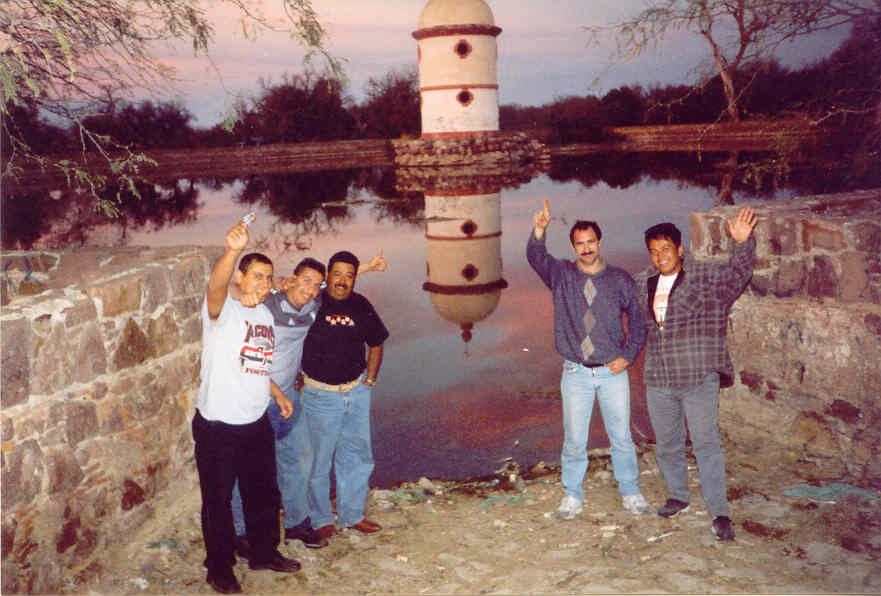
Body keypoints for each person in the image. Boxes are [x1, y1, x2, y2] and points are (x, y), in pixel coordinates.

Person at [230, 253, 387, 554]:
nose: (312, 289)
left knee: (302, 461)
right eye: (306, 281)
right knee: (255, 467)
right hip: (261, 398)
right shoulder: (268, 305)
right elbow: (237, 308)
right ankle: (242, 532)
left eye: (317, 284)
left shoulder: (316, 305)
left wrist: (367, 268)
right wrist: (266, 284)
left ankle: (300, 523)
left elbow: (340, 289)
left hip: (295, 396)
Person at [193, 219, 301, 595]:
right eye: (256, 276)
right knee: (218, 502)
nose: (263, 284)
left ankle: (263, 552)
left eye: (268, 278)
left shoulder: (265, 315)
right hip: (219, 424)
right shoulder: (221, 310)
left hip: (256, 421)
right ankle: (219, 568)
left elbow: (255, 361)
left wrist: (276, 393)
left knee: (263, 493)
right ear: (240, 276)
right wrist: (233, 249)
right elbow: (216, 284)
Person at [527, 198, 652, 520]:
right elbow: (535, 257)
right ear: (573, 247)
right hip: (576, 373)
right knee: (574, 440)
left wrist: (629, 356)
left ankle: (631, 492)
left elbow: (639, 321)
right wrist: (539, 230)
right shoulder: (561, 275)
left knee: (621, 437)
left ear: (599, 242)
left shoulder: (620, 280)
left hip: (612, 372)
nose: (586, 248)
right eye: (579, 244)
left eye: (590, 242)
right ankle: (572, 496)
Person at [641, 206, 757, 542]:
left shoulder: (704, 276)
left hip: (697, 376)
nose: (660, 256)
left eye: (666, 249)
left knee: (706, 444)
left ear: (679, 249)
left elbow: (738, 274)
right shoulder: (643, 283)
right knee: (667, 444)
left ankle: (719, 512)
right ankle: (678, 495)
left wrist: (741, 243)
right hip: (659, 378)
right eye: (653, 250)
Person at [300, 251, 389, 539]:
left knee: (357, 455)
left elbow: (376, 343)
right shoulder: (312, 300)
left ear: (354, 278)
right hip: (319, 395)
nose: (342, 281)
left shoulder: (361, 305)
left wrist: (370, 380)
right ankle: (320, 518)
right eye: (336, 274)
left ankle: (352, 515)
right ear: (327, 276)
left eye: (349, 275)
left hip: (357, 391)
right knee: (318, 460)